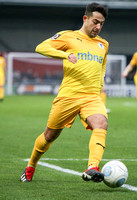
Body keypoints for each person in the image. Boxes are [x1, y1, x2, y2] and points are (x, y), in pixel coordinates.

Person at [20, 2, 109, 183]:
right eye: (95, 22)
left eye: (101, 23)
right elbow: (41, 47)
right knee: (49, 136)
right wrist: (64, 55)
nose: (98, 27)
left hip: (91, 97)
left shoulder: (103, 44)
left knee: (101, 123)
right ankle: (31, 166)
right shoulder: (68, 37)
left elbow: (102, 67)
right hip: (68, 96)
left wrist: (99, 86)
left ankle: (92, 167)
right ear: (85, 18)